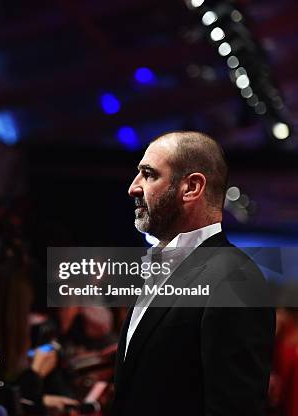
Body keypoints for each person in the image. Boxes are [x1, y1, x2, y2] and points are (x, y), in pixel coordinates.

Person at [111, 131, 275, 416]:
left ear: (191, 187)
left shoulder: (235, 279)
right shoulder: (167, 267)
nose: (133, 187)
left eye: (148, 175)